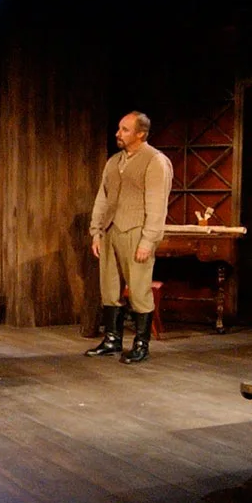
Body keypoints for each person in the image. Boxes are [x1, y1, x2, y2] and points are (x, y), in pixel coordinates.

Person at [86, 111, 174, 363]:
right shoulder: (114, 161)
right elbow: (102, 198)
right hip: (110, 231)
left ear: (141, 134)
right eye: (119, 128)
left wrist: (148, 240)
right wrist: (96, 231)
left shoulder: (155, 161)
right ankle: (112, 339)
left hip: (136, 231)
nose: (118, 133)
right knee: (109, 287)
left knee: (138, 289)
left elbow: (157, 205)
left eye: (125, 129)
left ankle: (141, 344)